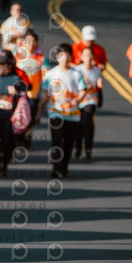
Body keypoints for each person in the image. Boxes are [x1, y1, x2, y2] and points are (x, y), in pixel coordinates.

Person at [35, 43, 87, 179]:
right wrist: (39, 111)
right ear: (57, 57)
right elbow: (46, 94)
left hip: (72, 114)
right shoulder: (51, 74)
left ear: (71, 57)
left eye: (67, 56)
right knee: (56, 141)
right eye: (62, 56)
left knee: (69, 142)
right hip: (55, 112)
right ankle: (56, 168)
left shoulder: (76, 73)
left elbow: (83, 90)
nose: (65, 58)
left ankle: (65, 167)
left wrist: (78, 99)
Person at [0, 51, 26, 177]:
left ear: (7, 66)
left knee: (7, 140)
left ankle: (4, 166)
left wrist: (16, 92)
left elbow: (25, 94)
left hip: (11, 116)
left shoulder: (16, 79)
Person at [13, 29, 46, 150]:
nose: (31, 44)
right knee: (19, 116)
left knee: (31, 118)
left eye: (33, 41)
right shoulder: (17, 57)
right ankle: (17, 139)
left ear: (37, 43)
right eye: (28, 41)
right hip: (19, 94)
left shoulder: (41, 59)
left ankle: (26, 140)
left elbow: (46, 76)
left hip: (34, 94)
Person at [75, 47, 103, 160]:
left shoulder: (96, 70)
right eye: (86, 55)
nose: (88, 57)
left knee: (87, 122)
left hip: (91, 100)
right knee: (79, 125)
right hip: (78, 100)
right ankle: (78, 148)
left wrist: (100, 86)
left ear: (93, 57)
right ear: (81, 57)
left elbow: (99, 85)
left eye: (90, 55)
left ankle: (88, 148)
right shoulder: (77, 70)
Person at [72, 25, 107, 108]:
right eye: (88, 40)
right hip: (79, 85)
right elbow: (68, 63)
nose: (90, 42)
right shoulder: (75, 48)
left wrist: (102, 68)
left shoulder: (100, 49)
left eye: (92, 40)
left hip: (93, 85)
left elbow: (104, 63)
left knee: (92, 107)